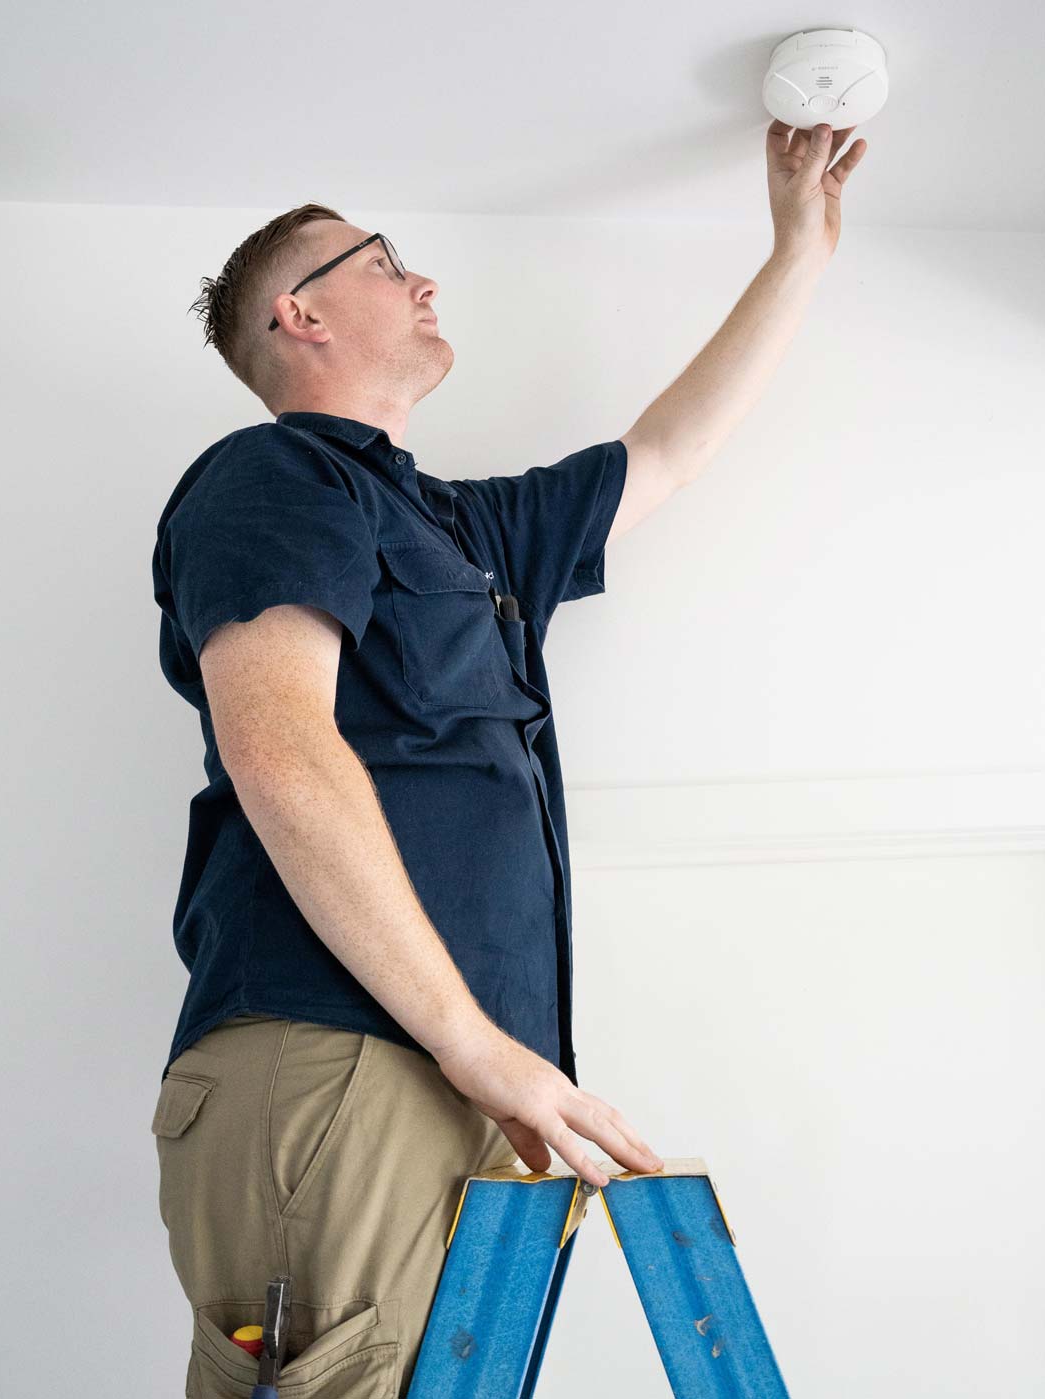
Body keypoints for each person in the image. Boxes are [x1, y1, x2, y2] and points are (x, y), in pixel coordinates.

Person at [149, 119, 866, 1397]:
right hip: (351, 1057)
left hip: (466, 1076)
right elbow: (278, 751)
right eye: (384, 262)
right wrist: (472, 1048)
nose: (421, 280)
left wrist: (796, 250)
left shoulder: (462, 530)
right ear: (298, 316)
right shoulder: (270, 477)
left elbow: (666, 451)